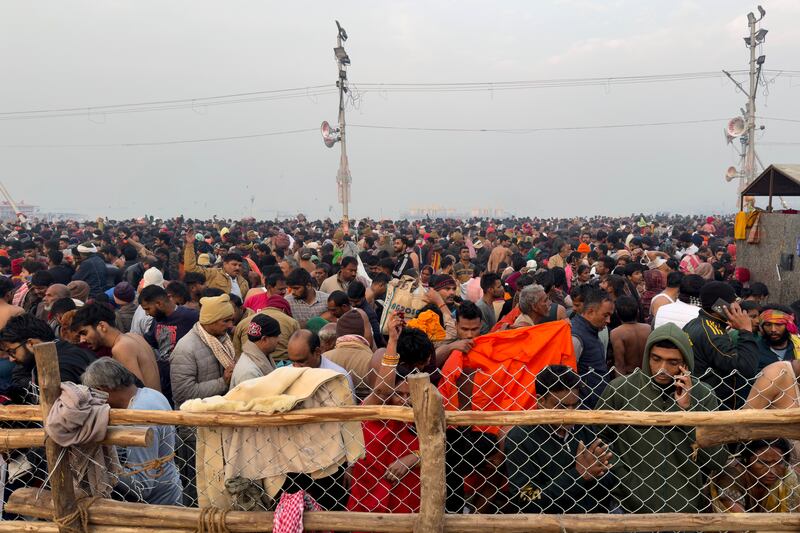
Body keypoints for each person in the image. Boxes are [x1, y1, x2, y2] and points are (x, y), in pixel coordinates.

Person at [597, 323, 728, 513]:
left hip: (686, 507)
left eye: (672, 362)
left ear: (685, 363)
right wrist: (624, 476)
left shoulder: (703, 394)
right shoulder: (621, 390)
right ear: (646, 356)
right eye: (656, 359)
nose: (662, 369)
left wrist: (687, 413)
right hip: (629, 505)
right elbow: (598, 438)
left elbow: (716, 460)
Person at [505, 365, 614, 513]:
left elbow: (609, 477)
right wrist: (578, 475)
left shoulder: (585, 425)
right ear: (540, 401)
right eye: (562, 407)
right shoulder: (520, 438)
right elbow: (526, 498)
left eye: (574, 405)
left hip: (593, 519)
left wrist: (597, 471)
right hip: (549, 524)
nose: (570, 413)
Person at [347, 311, 421, 514]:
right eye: (399, 394)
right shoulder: (373, 408)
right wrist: (392, 342)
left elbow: (437, 446)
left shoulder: (422, 414)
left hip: (407, 494)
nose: (404, 401)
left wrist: (412, 458)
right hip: (369, 488)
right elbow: (382, 391)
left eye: (409, 395)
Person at [81, 358, 182, 506]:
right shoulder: (150, 394)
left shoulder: (138, 415)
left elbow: (142, 485)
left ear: (103, 390)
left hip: (157, 505)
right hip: (170, 488)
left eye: (94, 395)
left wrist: (101, 466)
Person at [683, 281, 760, 410]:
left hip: (703, 399)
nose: (738, 305)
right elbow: (746, 367)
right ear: (720, 306)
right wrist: (746, 331)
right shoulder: (713, 332)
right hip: (716, 406)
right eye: (735, 301)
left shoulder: (696, 323)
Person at [2, 314, 95, 405]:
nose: (11, 359)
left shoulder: (60, 366)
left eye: (12, 352)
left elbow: (60, 411)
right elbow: (18, 378)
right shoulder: (57, 348)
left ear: (31, 343)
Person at [72, 302, 161, 391]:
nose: (82, 340)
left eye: (84, 333)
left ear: (102, 326)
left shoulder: (121, 347)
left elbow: (136, 392)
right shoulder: (133, 336)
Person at [138, 285, 199, 403]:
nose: (147, 314)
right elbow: (150, 341)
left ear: (159, 303)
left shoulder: (191, 317)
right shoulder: (156, 320)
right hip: (165, 381)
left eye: (147, 309)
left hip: (186, 380)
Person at [570, 288, 613, 407]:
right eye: (605, 315)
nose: (608, 320)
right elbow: (568, 376)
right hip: (586, 408)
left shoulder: (589, 332)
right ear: (590, 312)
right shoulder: (576, 337)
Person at [324, 309, 375, 400]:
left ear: (338, 333)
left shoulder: (323, 359)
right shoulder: (373, 361)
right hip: (365, 412)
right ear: (363, 332)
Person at [233, 294, 299, 359]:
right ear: (284, 310)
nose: (278, 340)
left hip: (250, 361)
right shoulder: (292, 322)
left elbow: (237, 353)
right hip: (284, 364)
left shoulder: (242, 323)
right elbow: (298, 350)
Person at [287, 329, 355, 393]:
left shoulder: (338, 377)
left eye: (301, 362)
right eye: (293, 362)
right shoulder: (286, 375)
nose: (296, 367)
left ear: (317, 352)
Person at [183, 233, 249, 297]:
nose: (237, 268)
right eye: (234, 265)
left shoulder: (244, 283)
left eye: (240, 265)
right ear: (225, 264)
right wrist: (189, 244)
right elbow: (191, 269)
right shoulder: (213, 273)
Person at [230, 313, 280, 387]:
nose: (279, 340)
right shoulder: (249, 373)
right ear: (264, 339)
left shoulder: (261, 357)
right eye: (277, 336)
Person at [610, 296, 652, 376]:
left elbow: (619, 364)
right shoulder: (648, 328)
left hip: (628, 377)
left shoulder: (616, 333)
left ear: (617, 313)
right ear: (638, 312)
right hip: (647, 375)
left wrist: (620, 386)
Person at [754, 305, 799, 370]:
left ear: (789, 326)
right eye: (768, 325)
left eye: (779, 324)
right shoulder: (753, 350)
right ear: (762, 327)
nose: (773, 329)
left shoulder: (797, 347)